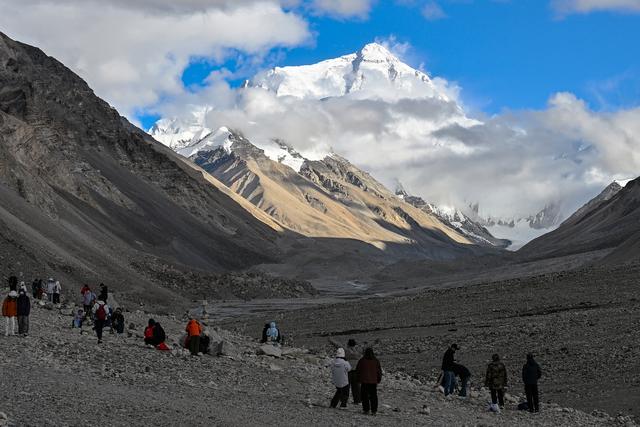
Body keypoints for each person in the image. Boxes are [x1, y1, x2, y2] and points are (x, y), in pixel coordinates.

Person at [328, 337, 362, 404]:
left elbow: (337, 345)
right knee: (356, 387)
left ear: (348, 344)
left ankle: (344, 400)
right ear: (355, 345)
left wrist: (330, 339)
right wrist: (375, 342)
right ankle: (357, 400)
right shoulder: (358, 351)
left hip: (347, 371)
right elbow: (367, 347)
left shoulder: (345, 350)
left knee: (345, 386)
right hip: (356, 371)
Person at [356, 347, 382, 416]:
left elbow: (358, 370)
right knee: (373, 396)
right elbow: (379, 371)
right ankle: (374, 411)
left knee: (364, 396)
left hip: (364, 381)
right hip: (373, 381)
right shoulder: (376, 360)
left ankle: (366, 410)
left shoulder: (362, 360)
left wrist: (358, 379)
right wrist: (378, 379)